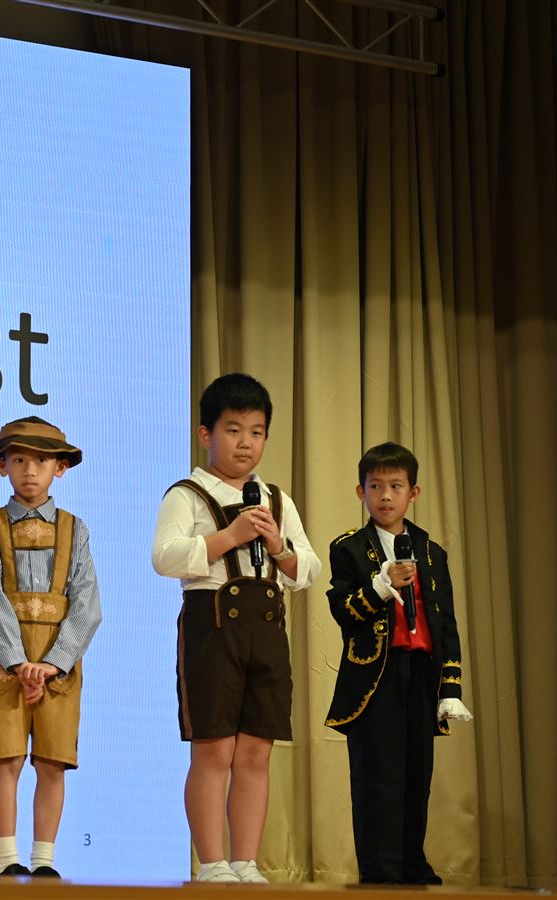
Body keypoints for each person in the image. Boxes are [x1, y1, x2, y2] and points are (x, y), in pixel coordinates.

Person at [151, 373, 321, 883]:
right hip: (212, 627)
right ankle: (212, 863)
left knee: (255, 751)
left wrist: (278, 547)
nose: (245, 443)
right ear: (206, 434)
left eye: (256, 432)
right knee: (214, 749)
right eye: (233, 430)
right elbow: (165, 557)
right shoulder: (187, 493)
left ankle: (246, 860)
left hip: (267, 631)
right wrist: (230, 535)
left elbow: (308, 570)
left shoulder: (277, 499)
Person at [325, 441, 472, 884]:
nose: (385, 496)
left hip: (421, 676)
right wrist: (381, 585)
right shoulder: (349, 548)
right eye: (375, 486)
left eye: (395, 486)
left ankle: (412, 866)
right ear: (361, 492)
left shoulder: (432, 551)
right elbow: (343, 612)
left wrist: (450, 687)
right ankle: (380, 873)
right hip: (377, 676)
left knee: (415, 776)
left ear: (414, 492)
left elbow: (445, 623)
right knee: (377, 779)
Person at [0, 416, 101, 879]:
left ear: (60, 468)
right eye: (19, 459)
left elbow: (87, 602)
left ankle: (44, 860)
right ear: (1, 465)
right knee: (7, 758)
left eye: (42, 461)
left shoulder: (75, 529)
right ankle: (6, 861)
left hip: (58, 662)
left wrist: (53, 663)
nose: (30, 470)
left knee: (52, 761)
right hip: (5, 658)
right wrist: (17, 661)